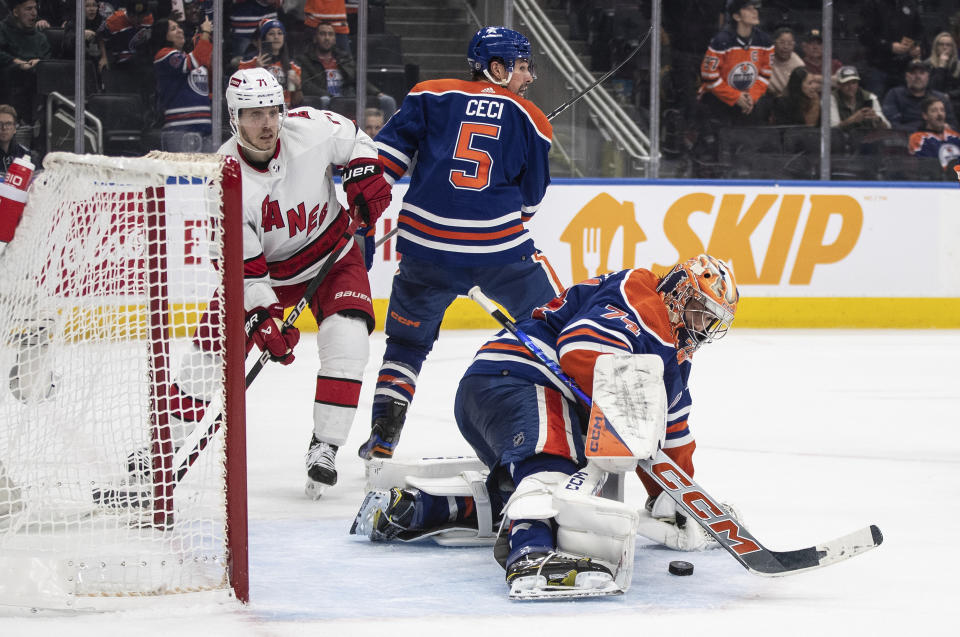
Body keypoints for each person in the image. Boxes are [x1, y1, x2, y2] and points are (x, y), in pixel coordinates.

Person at [354, 255, 740, 597]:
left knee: (556, 493)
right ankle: (530, 556)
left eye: (711, 321)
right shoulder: (641, 299)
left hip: (498, 386)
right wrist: (628, 411)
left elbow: (672, 434)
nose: (703, 327)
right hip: (519, 379)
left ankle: (413, 510)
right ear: (677, 293)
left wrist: (676, 500)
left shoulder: (672, 354)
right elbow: (580, 349)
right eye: (699, 312)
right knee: (550, 469)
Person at [166, 67, 391, 499]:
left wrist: (364, 172)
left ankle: (324, 447)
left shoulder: (309, 128)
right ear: (235, 118)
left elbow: (356, 138)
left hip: (333, 253)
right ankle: (162, 448)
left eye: (272, 111)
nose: (267, 124)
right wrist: (264, 317)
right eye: (254, 114)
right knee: (204, 363)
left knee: (348, 342)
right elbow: (245, 272)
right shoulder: (224, 181)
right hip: (266, 273)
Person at [356, 26, 564, 461]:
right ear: (496, 68)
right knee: (558, 322)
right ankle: (568, 426)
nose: (529, 78)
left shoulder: (428, 94)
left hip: (424, 251)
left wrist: (363, 223)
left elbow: (381, 164)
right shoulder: (533, 119)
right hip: (499, 255)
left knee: (407, 345)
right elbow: (531, 201)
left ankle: (383, 435)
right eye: (523, 67)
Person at [697, 0, 773, 128]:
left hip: (747, 97)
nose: (754, 11)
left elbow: (765, 75)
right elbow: (709, 77)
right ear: (736, 16)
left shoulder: (765, 41)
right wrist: (735, 96)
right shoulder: (721, 41)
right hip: (718, 97)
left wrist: (752, 97)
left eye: (755, 8)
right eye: (748, 9)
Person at [297, 21, 395, 116]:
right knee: (325, 100)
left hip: (347, 98)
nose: (327, 38)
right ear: (315, 38)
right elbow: (306, 85)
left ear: (335, 39)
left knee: (387, 101)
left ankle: (385, 132)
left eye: (330, 34)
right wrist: (330, 96)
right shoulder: (305, 59)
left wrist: (377, 93)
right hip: (325, 99)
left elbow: (358, 79)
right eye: (322, 34)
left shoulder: (344, 58)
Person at [149, 15, 213, 151]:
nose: (180, 31)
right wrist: (206, 33)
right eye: (173, 29)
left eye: (179, 27)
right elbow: (192, 62)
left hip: (205, 128)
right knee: (183, 172)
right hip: (180, 129)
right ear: (163, 35)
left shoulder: (187, 55)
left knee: (208, 171)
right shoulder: (163, 55)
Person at [0, 0, 51, 125]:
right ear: (16, 12)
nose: (34, 13)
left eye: (35, 8)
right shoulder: (2, 29)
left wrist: (40, 62)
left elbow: (48, 59)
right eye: (28, 9)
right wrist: (16, 62)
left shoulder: (40, 37)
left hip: (34, 86)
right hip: (8, 84)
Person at [238, 18, 302, 108]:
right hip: (259, 110)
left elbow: (296, 102)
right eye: (271, 33)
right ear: (264, 38)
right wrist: (255, 71)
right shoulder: (249, 61)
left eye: (280, 33)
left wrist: (298, 87)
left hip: (286, 114)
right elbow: (240, 94)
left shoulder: (293, 66)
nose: (276, 37)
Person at [883, 58, 959, 132]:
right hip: (904, 140)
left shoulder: (940, 98)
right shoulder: (895, 94)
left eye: (922, 73)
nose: (918, 77)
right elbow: (892, 125)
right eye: (913, 73)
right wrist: (925, 129)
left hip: (936, 140)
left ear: (928, 77)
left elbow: (954, 126)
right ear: (906, 76)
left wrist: (946, 127)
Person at [908, 95, 960, 172]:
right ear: (925, 116)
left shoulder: (955, 136)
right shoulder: (918, 138)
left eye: (942, 110)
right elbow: (927, 166)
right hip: (937, 181)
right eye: (934, 111)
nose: (939, 114)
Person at [830, 65, 889, 132]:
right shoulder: (831, 99)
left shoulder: (870, 97)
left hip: (865, 139)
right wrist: (852, 120)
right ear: (839, 85)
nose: (851, 87)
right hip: (840, 140)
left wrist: (877, 120)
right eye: (846, 83)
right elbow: (832, 131)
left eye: (854, 83)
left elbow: (888, 127)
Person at [925, 31, 960, 109]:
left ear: (952, 48)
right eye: (941, 44)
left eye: (948, 45)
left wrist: (949, 95)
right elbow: (931, 88)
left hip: (954, 102)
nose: (945, 47)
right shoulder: (927, 64)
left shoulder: (958, 65)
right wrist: (941, 67)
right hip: (932, 102)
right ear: (936, 47)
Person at [768, 27, 805, 98]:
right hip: (768, 97)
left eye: (789, 43)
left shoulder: (799, 65)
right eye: (782, 42)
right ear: (774, 43)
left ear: (794, 45)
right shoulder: (766, 58)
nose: (785, 47)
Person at [0, 104, 33, 179]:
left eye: (8, 124)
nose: (4, 128)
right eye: (0, 124)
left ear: (15, 128)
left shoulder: (25, 153)